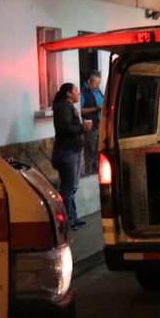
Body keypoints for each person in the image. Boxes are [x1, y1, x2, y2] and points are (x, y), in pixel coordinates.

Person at [51, 82, 90, 227]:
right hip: (67, 152)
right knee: (68, 188)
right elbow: (65, 128)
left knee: (71, 186)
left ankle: (72, 217)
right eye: (76, 91)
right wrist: (82, 128)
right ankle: (68, 220)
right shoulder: (64, 107)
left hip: (71, 151)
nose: (78, 93)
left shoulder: (67, 107)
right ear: (68, 93)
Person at [80, 71, 103, 174]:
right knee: (92, 149)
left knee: (97, 148)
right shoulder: (83, 93)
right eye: (96, 83)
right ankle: (91, 171)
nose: (98, 85)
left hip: (99, 124)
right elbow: (80, 110)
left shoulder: (98, 91)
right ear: (89, 81)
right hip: (90, 125)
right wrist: (96, 108)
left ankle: (94, 170)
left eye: (99, 83)